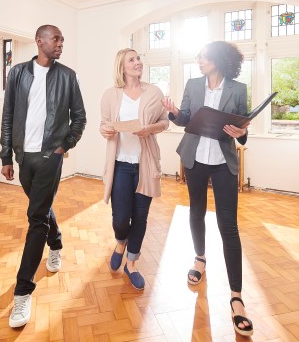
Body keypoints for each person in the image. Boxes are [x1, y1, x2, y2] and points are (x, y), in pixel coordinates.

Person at [160, 40, 254, 337]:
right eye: (198, 56)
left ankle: (236, 297)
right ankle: (200, 259)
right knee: (196, 212)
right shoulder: (193, 83)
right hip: (195, 159)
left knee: (229, 226)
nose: (199, 60)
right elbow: (186, 119)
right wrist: (174, 112)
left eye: (204, 56)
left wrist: (242, 133)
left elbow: (243, 130)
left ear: (218, 59)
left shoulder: (238, 89)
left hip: (223, 163)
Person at [0, 24, 87, 328]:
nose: (61, 44)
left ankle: (23, 293)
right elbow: (8, 115)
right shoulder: (19, 73)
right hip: (25, 156)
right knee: (41, 208)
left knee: (35, 217)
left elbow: (80, 117)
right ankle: (58, 242)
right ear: (40, 41)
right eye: (56, 39)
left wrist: (65, 146)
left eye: (62, 39)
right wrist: (6, 155)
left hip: (51, 156)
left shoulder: (67, 76)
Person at [100, 49, 168, 290]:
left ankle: (131, 263)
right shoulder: (110, 95)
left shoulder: (154, 92)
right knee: (120, 218)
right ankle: (121, 243)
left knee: (140, 217)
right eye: (132, 60)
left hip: (145, 165)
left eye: (139, 58)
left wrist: (149, 129)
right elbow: (104, 124)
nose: (138, 62)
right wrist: (105, 130)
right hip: (120, 165)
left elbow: (164, 121)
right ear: (122, 66)